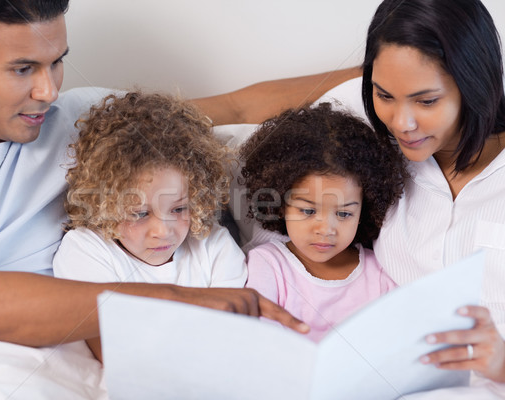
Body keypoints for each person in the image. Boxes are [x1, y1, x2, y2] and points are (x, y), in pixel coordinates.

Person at [0, 0, 318, 392]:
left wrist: (375, 72)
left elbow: (238, 106)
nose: (48, 91)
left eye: (57, 62)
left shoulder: (84, 123)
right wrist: (184, 300)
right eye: (23, 68)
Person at [198, 0, 505, 387]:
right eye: (384, 95)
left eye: (427, 101)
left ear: (477, 84)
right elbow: (241, 109)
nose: (401, 123)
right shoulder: (371, 141)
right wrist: (117, 116)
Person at [53, 91, 248, 360]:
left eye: (179, 208)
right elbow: (113, 351)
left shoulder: (214, 245)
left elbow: (231, 338)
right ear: (102, 204)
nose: (163, 231)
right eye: (139, 213)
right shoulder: (85, 250)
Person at [240, 104, 404, 342]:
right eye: (308, 210)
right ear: (280, 205)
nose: (326, 230)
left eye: (344, 214)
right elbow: (258, 336)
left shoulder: (379, 272)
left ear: (364, 211)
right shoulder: (267, 264)